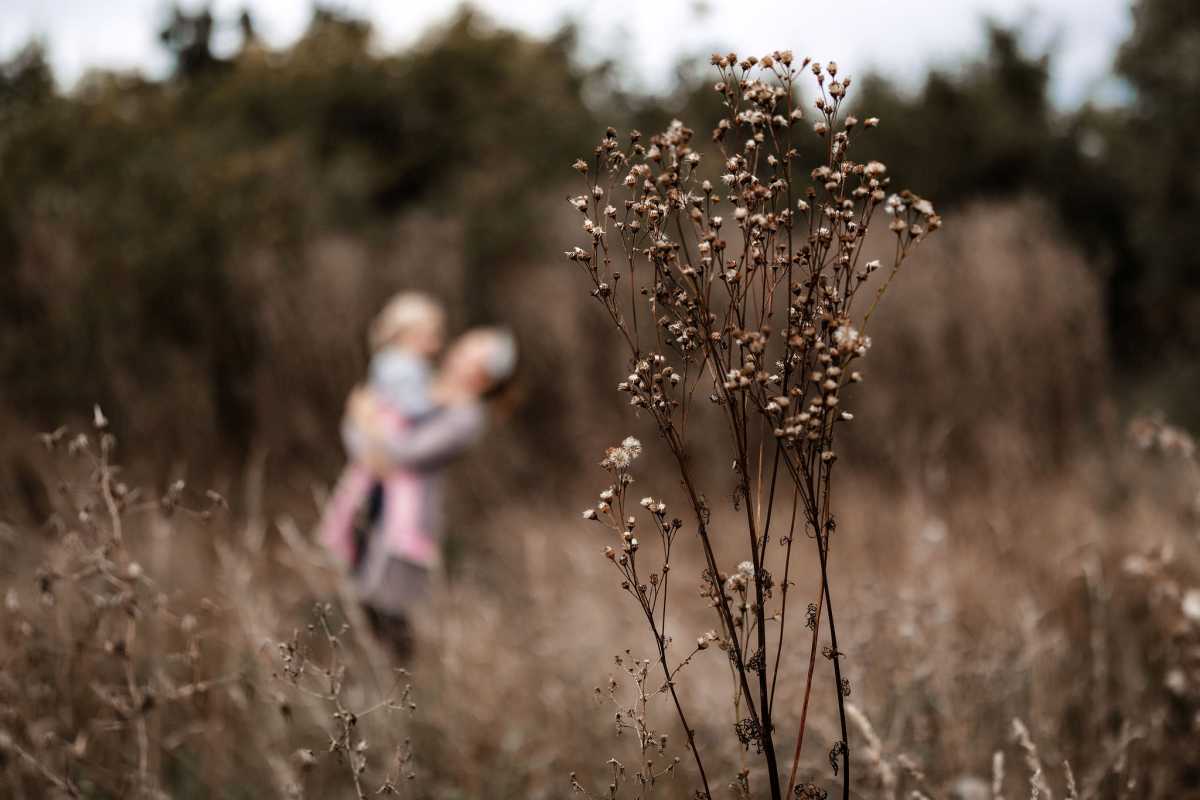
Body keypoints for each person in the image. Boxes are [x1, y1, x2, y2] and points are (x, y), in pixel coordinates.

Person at [320, 327, 518, 657]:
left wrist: (362, 420)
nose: (459, 350)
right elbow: (360, 443)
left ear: (485, 376)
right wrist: (363, 430)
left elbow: (402, 454)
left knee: (389, 615)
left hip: (404, 524)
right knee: (355, 604)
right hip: (366, 501)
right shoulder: (419, 383)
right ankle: (361, 690)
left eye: (473, 351)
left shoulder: (467, 417)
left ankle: (399, 693)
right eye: (465, 343)